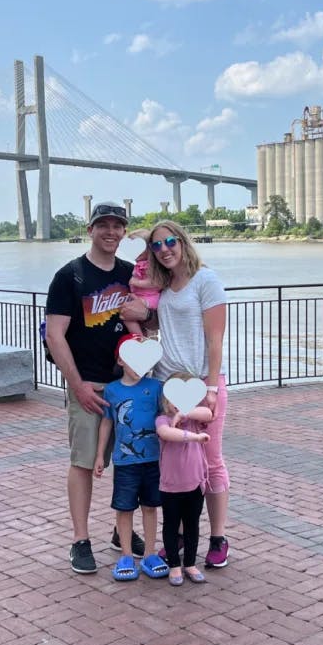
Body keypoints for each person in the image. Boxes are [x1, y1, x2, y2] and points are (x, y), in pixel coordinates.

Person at [44, 201, 149, 574]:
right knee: (84, 461)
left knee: (131, 459)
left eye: (118, 226)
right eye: (103, 225)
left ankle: (123, 532)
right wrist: (78, 386)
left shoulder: (131, 274)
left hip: (129, 384)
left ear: (124, 231)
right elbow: (55, 336)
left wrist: (147, 315)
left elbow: (147, 318)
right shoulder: (69, 276)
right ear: (90, 229)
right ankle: (80, 539)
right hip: (88, 382)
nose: (111, 232)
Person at [146, 219, 232, 568]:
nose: (164, 249)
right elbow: (160, 326)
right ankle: (179, 536)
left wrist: (211, 387)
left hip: (201, 383)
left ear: (182, 242)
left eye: (170, 241)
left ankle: (218, 537)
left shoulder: (206, 280)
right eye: (156, 245)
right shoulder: (165, 286)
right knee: (175, 463)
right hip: (169, 386)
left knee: (209, 461)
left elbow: (215, 339)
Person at [93, 335, 170, 581]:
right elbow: (107, 423)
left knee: (150, 506)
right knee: (124, 508)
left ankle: (149, 553)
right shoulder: (112, 390)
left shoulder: (156, 388)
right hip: (125, 463)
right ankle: (126, 554)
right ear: (121, 360)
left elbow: (166, 419)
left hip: (152, 460)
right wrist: (99, 455)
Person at [155, 379, 212, 585]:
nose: (178, 404)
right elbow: (167, 433)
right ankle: (174, 566)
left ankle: (190, 563)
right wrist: (194, 438)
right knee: (170, 525)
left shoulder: (194, 419)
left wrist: (185, 413)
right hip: (171, 485)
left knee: (192, 525)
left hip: (196, 483)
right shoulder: (163, 419)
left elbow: (208, 414)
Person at [123, 228, 161, 338]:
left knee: (126, 315)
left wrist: (136, 282)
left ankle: (140, 338)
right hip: (141, 297)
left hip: (150, 298)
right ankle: (141, 336)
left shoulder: (150, 265)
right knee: (127, 315)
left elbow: (156, 282)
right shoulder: (139, 264)